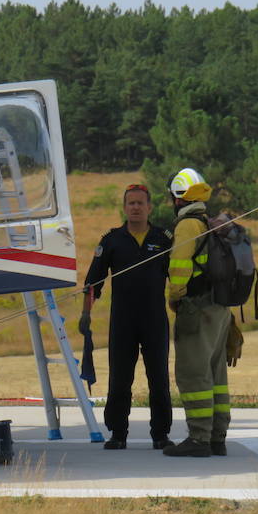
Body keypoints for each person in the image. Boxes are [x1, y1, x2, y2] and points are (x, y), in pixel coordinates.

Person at [80, 183, 174, 450]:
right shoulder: (111, 240)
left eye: (140, 203)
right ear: (124, 208)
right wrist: (85, 314)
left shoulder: (164, 238)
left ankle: (161, 434)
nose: (135, 207)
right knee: (120, 379)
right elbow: (93, 283)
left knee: (159, 379)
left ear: (149, 207)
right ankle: (118, 433)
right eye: (130, 203)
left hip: (155, 320)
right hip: (123, 321)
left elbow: (179, 278)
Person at [162, 168, 238, 457]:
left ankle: (199, 439)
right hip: (219, 308)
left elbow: (178, 266)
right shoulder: (209, 221)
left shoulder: (187, 225)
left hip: (198, 307)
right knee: (216, 374)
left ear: (178, 197)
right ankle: (217, 437)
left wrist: (175, 298)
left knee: (193, 374)